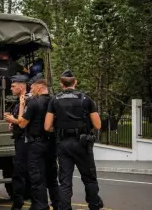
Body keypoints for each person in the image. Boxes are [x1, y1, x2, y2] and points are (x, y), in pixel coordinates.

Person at [44, 69, 104, 210]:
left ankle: (64, 207)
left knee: (65, 181)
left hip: (63, 143)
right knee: (89, 177)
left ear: (61, 84)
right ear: (75, 82)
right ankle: (94, 205)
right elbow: (97, 124)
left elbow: (47, 126)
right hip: (82, 143)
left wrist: (59, 129)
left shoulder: (54, 100)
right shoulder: (85, 99)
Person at [17, 79, 52, 210]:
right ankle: (57, 204)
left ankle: (40, 205)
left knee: (36, 176)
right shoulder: (53, 101)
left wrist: (21, 105)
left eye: (32, 88)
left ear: (39, 88)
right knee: (51, 177)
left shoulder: (33, 103)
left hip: (36, 144)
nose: (30, 91)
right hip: (51, 143)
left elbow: (21, 124)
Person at [4, 75, 30, 210]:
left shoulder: (27, 100)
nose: (11, 89)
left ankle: (19, 203)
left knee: (20, 174)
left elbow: (23, 123)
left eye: (13, 86)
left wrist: (12, 121)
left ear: (21, 87)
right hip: (20, 140)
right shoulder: (17, 102)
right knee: (19, 173)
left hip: (26, 142)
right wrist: (12, 124)